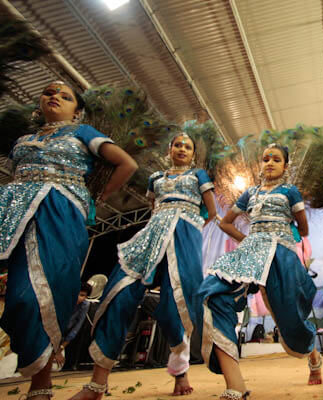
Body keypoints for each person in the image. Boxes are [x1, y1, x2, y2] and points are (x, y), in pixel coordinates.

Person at [0, 81, 138, 400]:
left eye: (65, 96)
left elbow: (126, 163)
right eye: (49, 92)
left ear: (77, 111)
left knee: (37, 294)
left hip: (59, 211)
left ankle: (41, 383)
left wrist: (99, 196)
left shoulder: (83, 133)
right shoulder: (23, 139)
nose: (55, 97)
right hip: (13, 213)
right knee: (15, 295)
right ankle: (41, 382)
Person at [69, 132, 217, 400]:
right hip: (150, 238)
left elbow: (211, 212)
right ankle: (97, 384)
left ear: (193, 154)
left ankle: (180, 370)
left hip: (184, 238)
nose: (182, 149)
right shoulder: (156, 179)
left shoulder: (198, 176)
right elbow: (153, 207)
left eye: (188, 146)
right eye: (177, 145)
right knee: (118, 296)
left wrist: (188, 229)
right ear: (169, 150)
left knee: (176, 311)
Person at [195, 143, 322, 400]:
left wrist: (285, 235)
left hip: (282, 252)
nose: (270, 163)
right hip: (252, 250)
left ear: (285, 166)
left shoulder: (290, 191)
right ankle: (236, 386)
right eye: (266, 159)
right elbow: (227, 223)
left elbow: (304, 228)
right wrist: (248, 239)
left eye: (276, 159)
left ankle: (314, 356)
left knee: (291, 320)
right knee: (214, 293)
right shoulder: (250, 193)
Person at [53, 282, 93, 370]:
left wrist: (60, 349)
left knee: (56, 367)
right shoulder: (62, 300)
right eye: (79, 294)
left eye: (83, 296)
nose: (80, 298)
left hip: (64, 337)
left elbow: (75, 329)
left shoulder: (85, 305)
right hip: (52, 334)